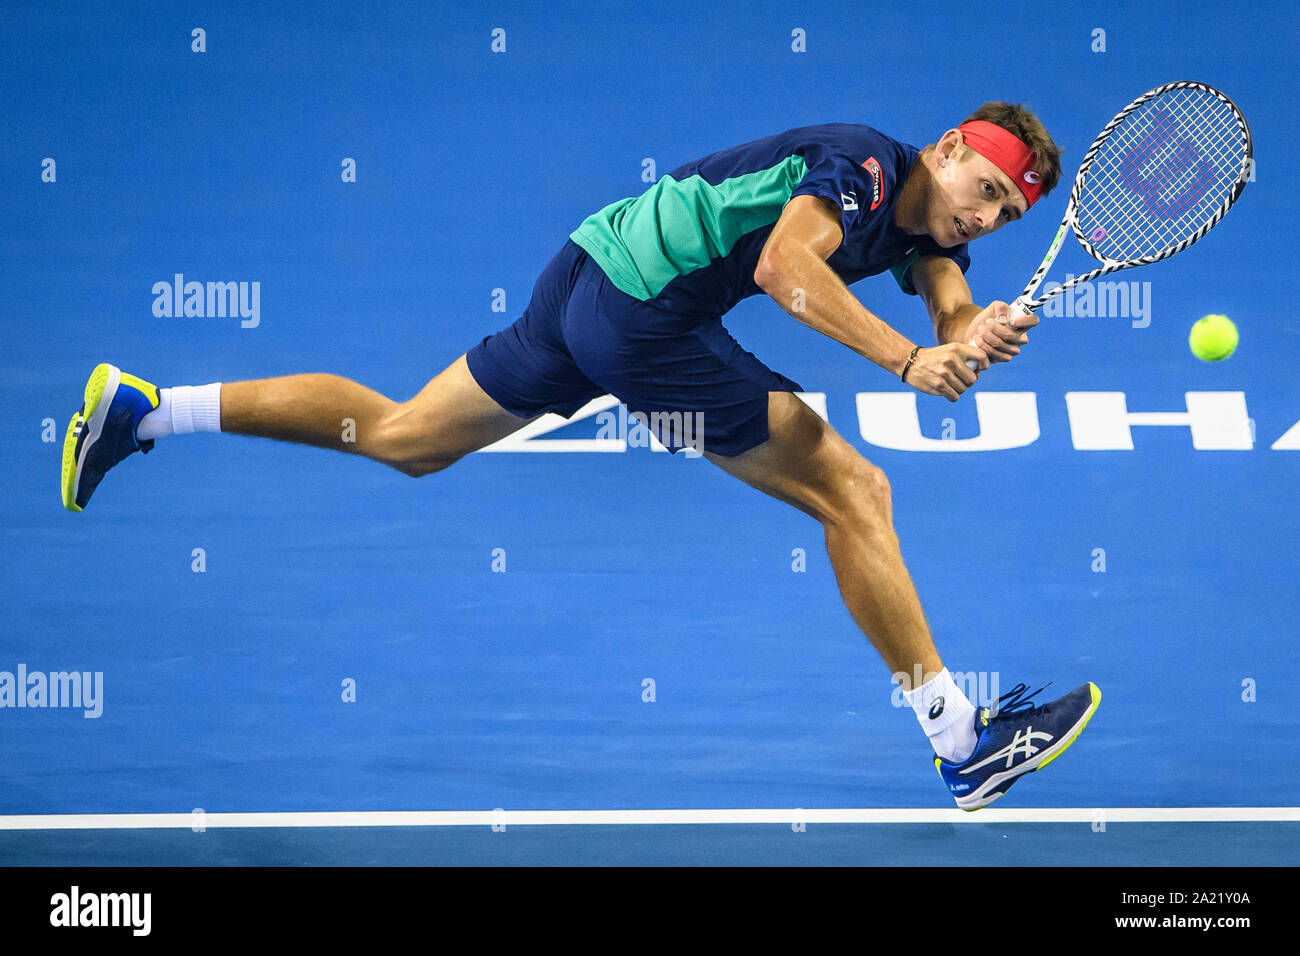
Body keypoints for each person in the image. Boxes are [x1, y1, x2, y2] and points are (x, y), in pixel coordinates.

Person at [62, 102, 1099, 810]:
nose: (989, 214)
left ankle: (148, 412)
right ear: (953, 146)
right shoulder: (865, 168)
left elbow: (948, 298)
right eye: (989, 189)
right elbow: (787, 264)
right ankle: (961, 740)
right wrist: (912, 358)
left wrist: (972, 334)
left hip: (588, 274)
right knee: (854, 489)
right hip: (643, 312)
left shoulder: (928, 228)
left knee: (402, 437)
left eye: (1008, 213)